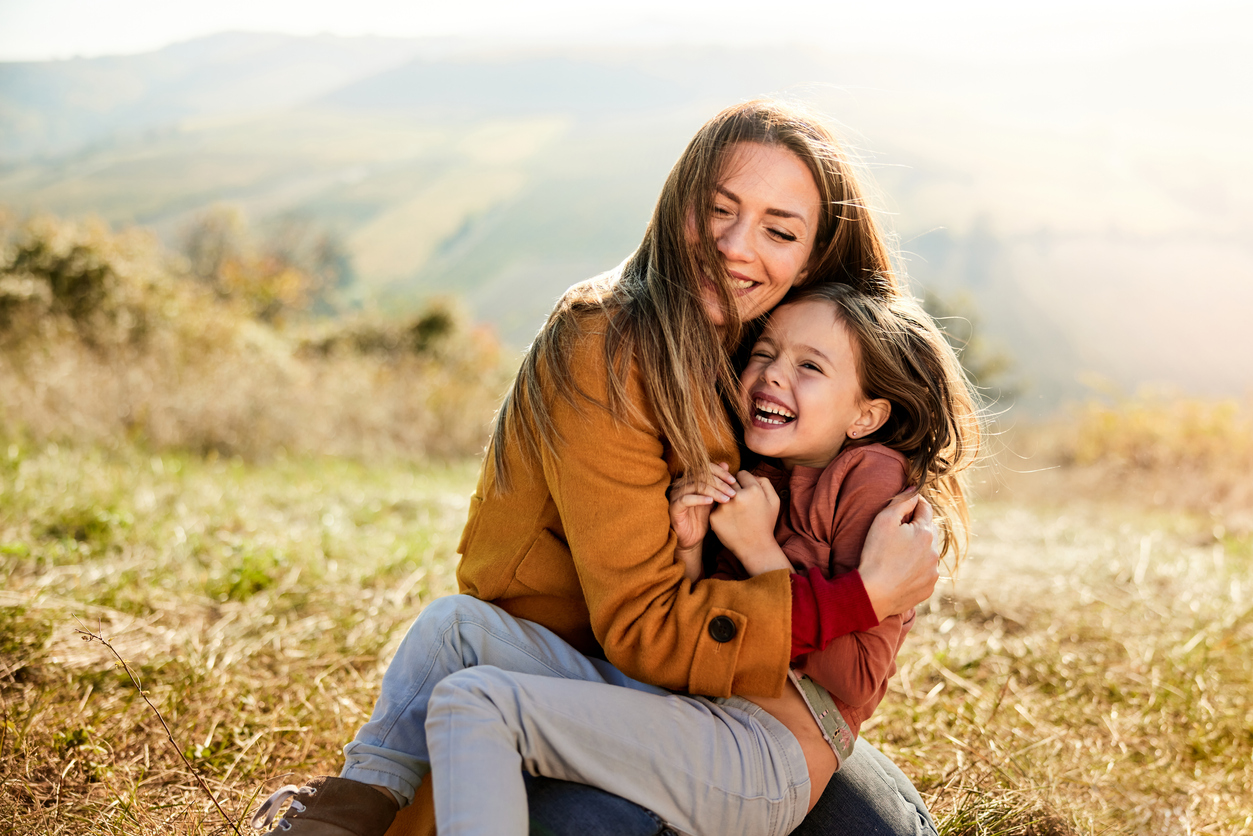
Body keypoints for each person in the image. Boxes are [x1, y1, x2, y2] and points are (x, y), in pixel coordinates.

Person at [248, 99, 958, 836]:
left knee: (881, 830)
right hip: (591, 666)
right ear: (677, 203)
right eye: (717, 210)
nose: (735, 247)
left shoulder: (777, 357)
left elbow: (836, 663)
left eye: (778, 231)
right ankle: (340, 817)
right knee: (496, 696)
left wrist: (842, 588)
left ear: (810, 260)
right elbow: (650, 630)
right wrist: (852, 595)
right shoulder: (608, 345)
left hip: (728, 704)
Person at [409, 283, 976, 836]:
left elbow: (855, 675)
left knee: (477, 702)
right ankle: (354, 804)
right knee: (454, 627)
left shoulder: (872, 480)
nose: (774, 373)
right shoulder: (756, 471)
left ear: (865, 416)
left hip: (766, 755)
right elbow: (709, 632)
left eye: (810, 367)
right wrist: (689, 544)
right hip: (699, 712)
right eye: (764, 352)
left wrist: (759, 549)